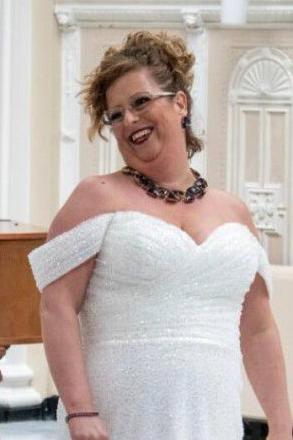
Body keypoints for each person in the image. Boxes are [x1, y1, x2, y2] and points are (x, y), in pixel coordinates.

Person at [28, 31, 292, 440]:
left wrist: (283, 425)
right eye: (115, 115)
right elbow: (56, 307)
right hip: (120, 420)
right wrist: (80, 411)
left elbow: (258, 329)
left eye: (140, 102)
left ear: (180, 102)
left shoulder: (234, 211)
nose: (129, 120)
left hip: (212, 420)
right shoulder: (96, 198)